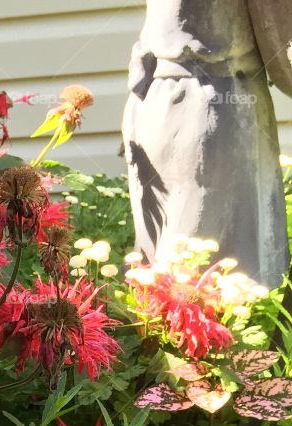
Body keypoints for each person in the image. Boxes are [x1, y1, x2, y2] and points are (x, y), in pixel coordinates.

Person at [123, 1, 292, 287]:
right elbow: (279, 36)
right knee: (224, 277)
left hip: (151, 100)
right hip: (215, 109)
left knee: (164, 273)